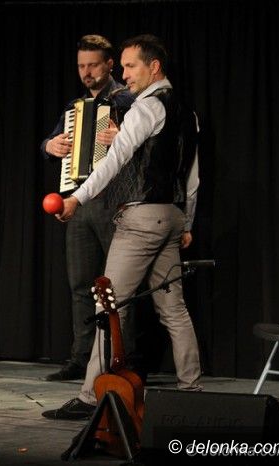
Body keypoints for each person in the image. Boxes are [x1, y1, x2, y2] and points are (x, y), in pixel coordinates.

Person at [44, 34, 202, 419]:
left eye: (131, 66)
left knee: (108, 303)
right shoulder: (186, 111)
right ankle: (191, 388)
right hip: (171, 216)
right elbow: (193, 178)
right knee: (173, 309)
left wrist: (76, 198)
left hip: (142, 218)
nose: (126, 74)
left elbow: (112, 160)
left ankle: (89, 397)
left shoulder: (145, 108)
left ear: (154, 67)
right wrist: (186, 222)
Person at [40, 35, 134, 382]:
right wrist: (50, 146)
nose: (86, 72)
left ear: (110, 64)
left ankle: (124, 360)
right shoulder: (75, 107)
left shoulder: (128, 100)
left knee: (120, 286)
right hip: (79, 201)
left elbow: (150, 148)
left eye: (93, 65)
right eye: (81, 66)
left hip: (116, 202)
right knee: (81, 284)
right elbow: (49, 144)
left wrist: (122, 137)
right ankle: (81, 358)